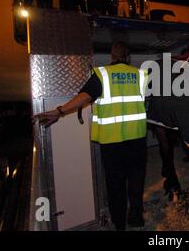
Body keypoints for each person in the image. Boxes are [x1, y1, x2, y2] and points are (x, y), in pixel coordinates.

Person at [33, 43, 148, 231]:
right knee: (136, 179)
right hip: (137, 138)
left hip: (112, 141)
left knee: (115, 183)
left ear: (112, 56)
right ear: (128, 57)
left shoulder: (102, 75)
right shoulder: (140, 75)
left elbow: (85, 97)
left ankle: (119, 224)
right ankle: (136, 217)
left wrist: (59, 111)